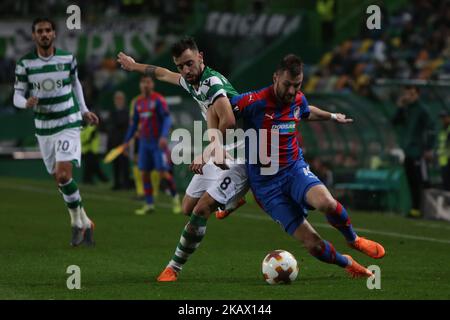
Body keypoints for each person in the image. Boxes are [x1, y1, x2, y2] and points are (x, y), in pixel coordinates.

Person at [231, 54, 385, 278]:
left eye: (297, 85)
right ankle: (347, 263)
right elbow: (220, 107)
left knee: (327, 203)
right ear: (275, 78)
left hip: (293, 170)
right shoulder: (253, 101)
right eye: (287, 85)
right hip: (266, 186)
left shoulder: (297, 99)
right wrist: (212, 143)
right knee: (314, 245)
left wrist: (332, 116)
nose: (292, 91)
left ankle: (354, 240)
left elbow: (306, 111)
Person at [117, 36, 249, 282]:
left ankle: (173, 267)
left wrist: (208, 151)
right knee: (187, 207)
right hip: (219, 147)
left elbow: (229, 121)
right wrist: (134, 66)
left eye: (189, 63)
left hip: (238, 151)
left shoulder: (212, 83)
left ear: (200, 58)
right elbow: (161, 73)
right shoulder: (192, 82)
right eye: (181, 66)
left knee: (200, 210)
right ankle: (230, 200)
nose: (185, 70)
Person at [13, 18, 98, 246]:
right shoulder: (25, 64)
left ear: (54, 34)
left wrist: (84, 111)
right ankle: (86, 221)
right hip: (44, 128)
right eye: (39, 31)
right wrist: (25, 103)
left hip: (67, 122)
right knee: (60, 181)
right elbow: (17, 95)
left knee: (63, 175)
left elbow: (76, 84)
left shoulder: (67, 59)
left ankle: (75, 224)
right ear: (33, 36)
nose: (44, 34)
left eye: (48, 30)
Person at [123, 75, 181, 215]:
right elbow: (134, 124)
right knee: (144, 173)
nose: (145, 85)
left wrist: (163, 136)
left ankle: (175, 198)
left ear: (152, 84)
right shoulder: (138, 102)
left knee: (163, 172)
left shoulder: (158, 100)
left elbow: (167, 119)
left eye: (148, 82)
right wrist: (126, 142)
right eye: (143, 82)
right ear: (140, 85)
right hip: (144, 143)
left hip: (157, 143)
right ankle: (149, 204)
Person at [392, 85, 435, 217]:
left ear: (417, 95)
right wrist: (399, 107)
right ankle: (415, 209)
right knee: (411, 181)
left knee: (421, 181)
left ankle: (426, 210)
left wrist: (429, 148)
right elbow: (394, 121)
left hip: (419, 152)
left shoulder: (422, 110)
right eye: (407, 94)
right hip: (408, 151)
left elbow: (431, 129)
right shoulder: (406, 109)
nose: (408, 96)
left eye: (411, 94)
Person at [108, 91, 133, 190]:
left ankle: (126, 184)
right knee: (116, 164)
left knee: (124, 164)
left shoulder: (127, 112)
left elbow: (122, 124)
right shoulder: (112, 112)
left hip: (123, 142)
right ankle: (117, 183)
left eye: (120, 99)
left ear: (124, 100)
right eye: (116, 99)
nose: (118, 101)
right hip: (114, 142)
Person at [437, 110, 450, 191]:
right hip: (444, 161)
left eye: (445, 117)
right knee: (446, 185)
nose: (443, 120)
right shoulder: (442, 130)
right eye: (441, 118)